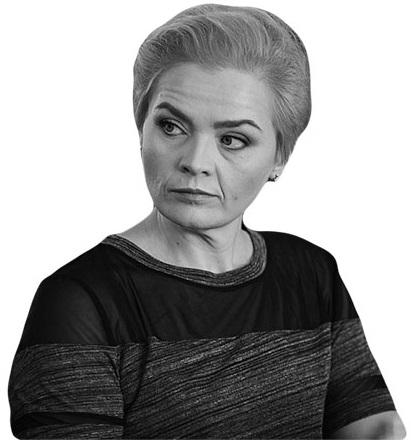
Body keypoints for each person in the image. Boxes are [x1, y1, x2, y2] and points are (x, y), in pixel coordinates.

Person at [7, 3, 406, 439]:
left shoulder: (310, 273)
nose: (195, 162)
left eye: (232, 139)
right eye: (171, 126)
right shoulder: (81, 301)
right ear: (141, 127)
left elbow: (376, 429)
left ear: (279, 156)